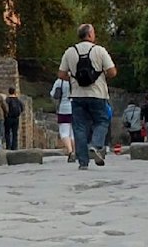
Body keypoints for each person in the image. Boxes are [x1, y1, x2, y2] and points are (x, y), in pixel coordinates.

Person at [60, 24, 116, 169]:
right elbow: (112, 72)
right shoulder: (99, 50)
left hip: (77, 95)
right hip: (98, 94)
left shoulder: (70, 52)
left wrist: (74, 79)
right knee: (102, 121)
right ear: (90, 35)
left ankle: (83, 162)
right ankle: (96, 145)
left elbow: (61, 74)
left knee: (79, 127)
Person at [50, 75, 75, 157]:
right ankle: (75, 151)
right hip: (76, 109)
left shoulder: (60, 81)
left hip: (63, 109)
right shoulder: (77, 80)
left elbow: (53, 94)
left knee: (64, 132)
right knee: (74, 132)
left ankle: (70, 151)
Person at [3, 87, 24, 151]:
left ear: (9, 92)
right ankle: (14, 146)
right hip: (16, 118)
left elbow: (4, 108)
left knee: (7, 132)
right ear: (14, 92)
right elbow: (22, 108)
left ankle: (8, 146)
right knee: (15, 133)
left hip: (8, 118)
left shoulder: (7, 100)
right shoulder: (18, 100)